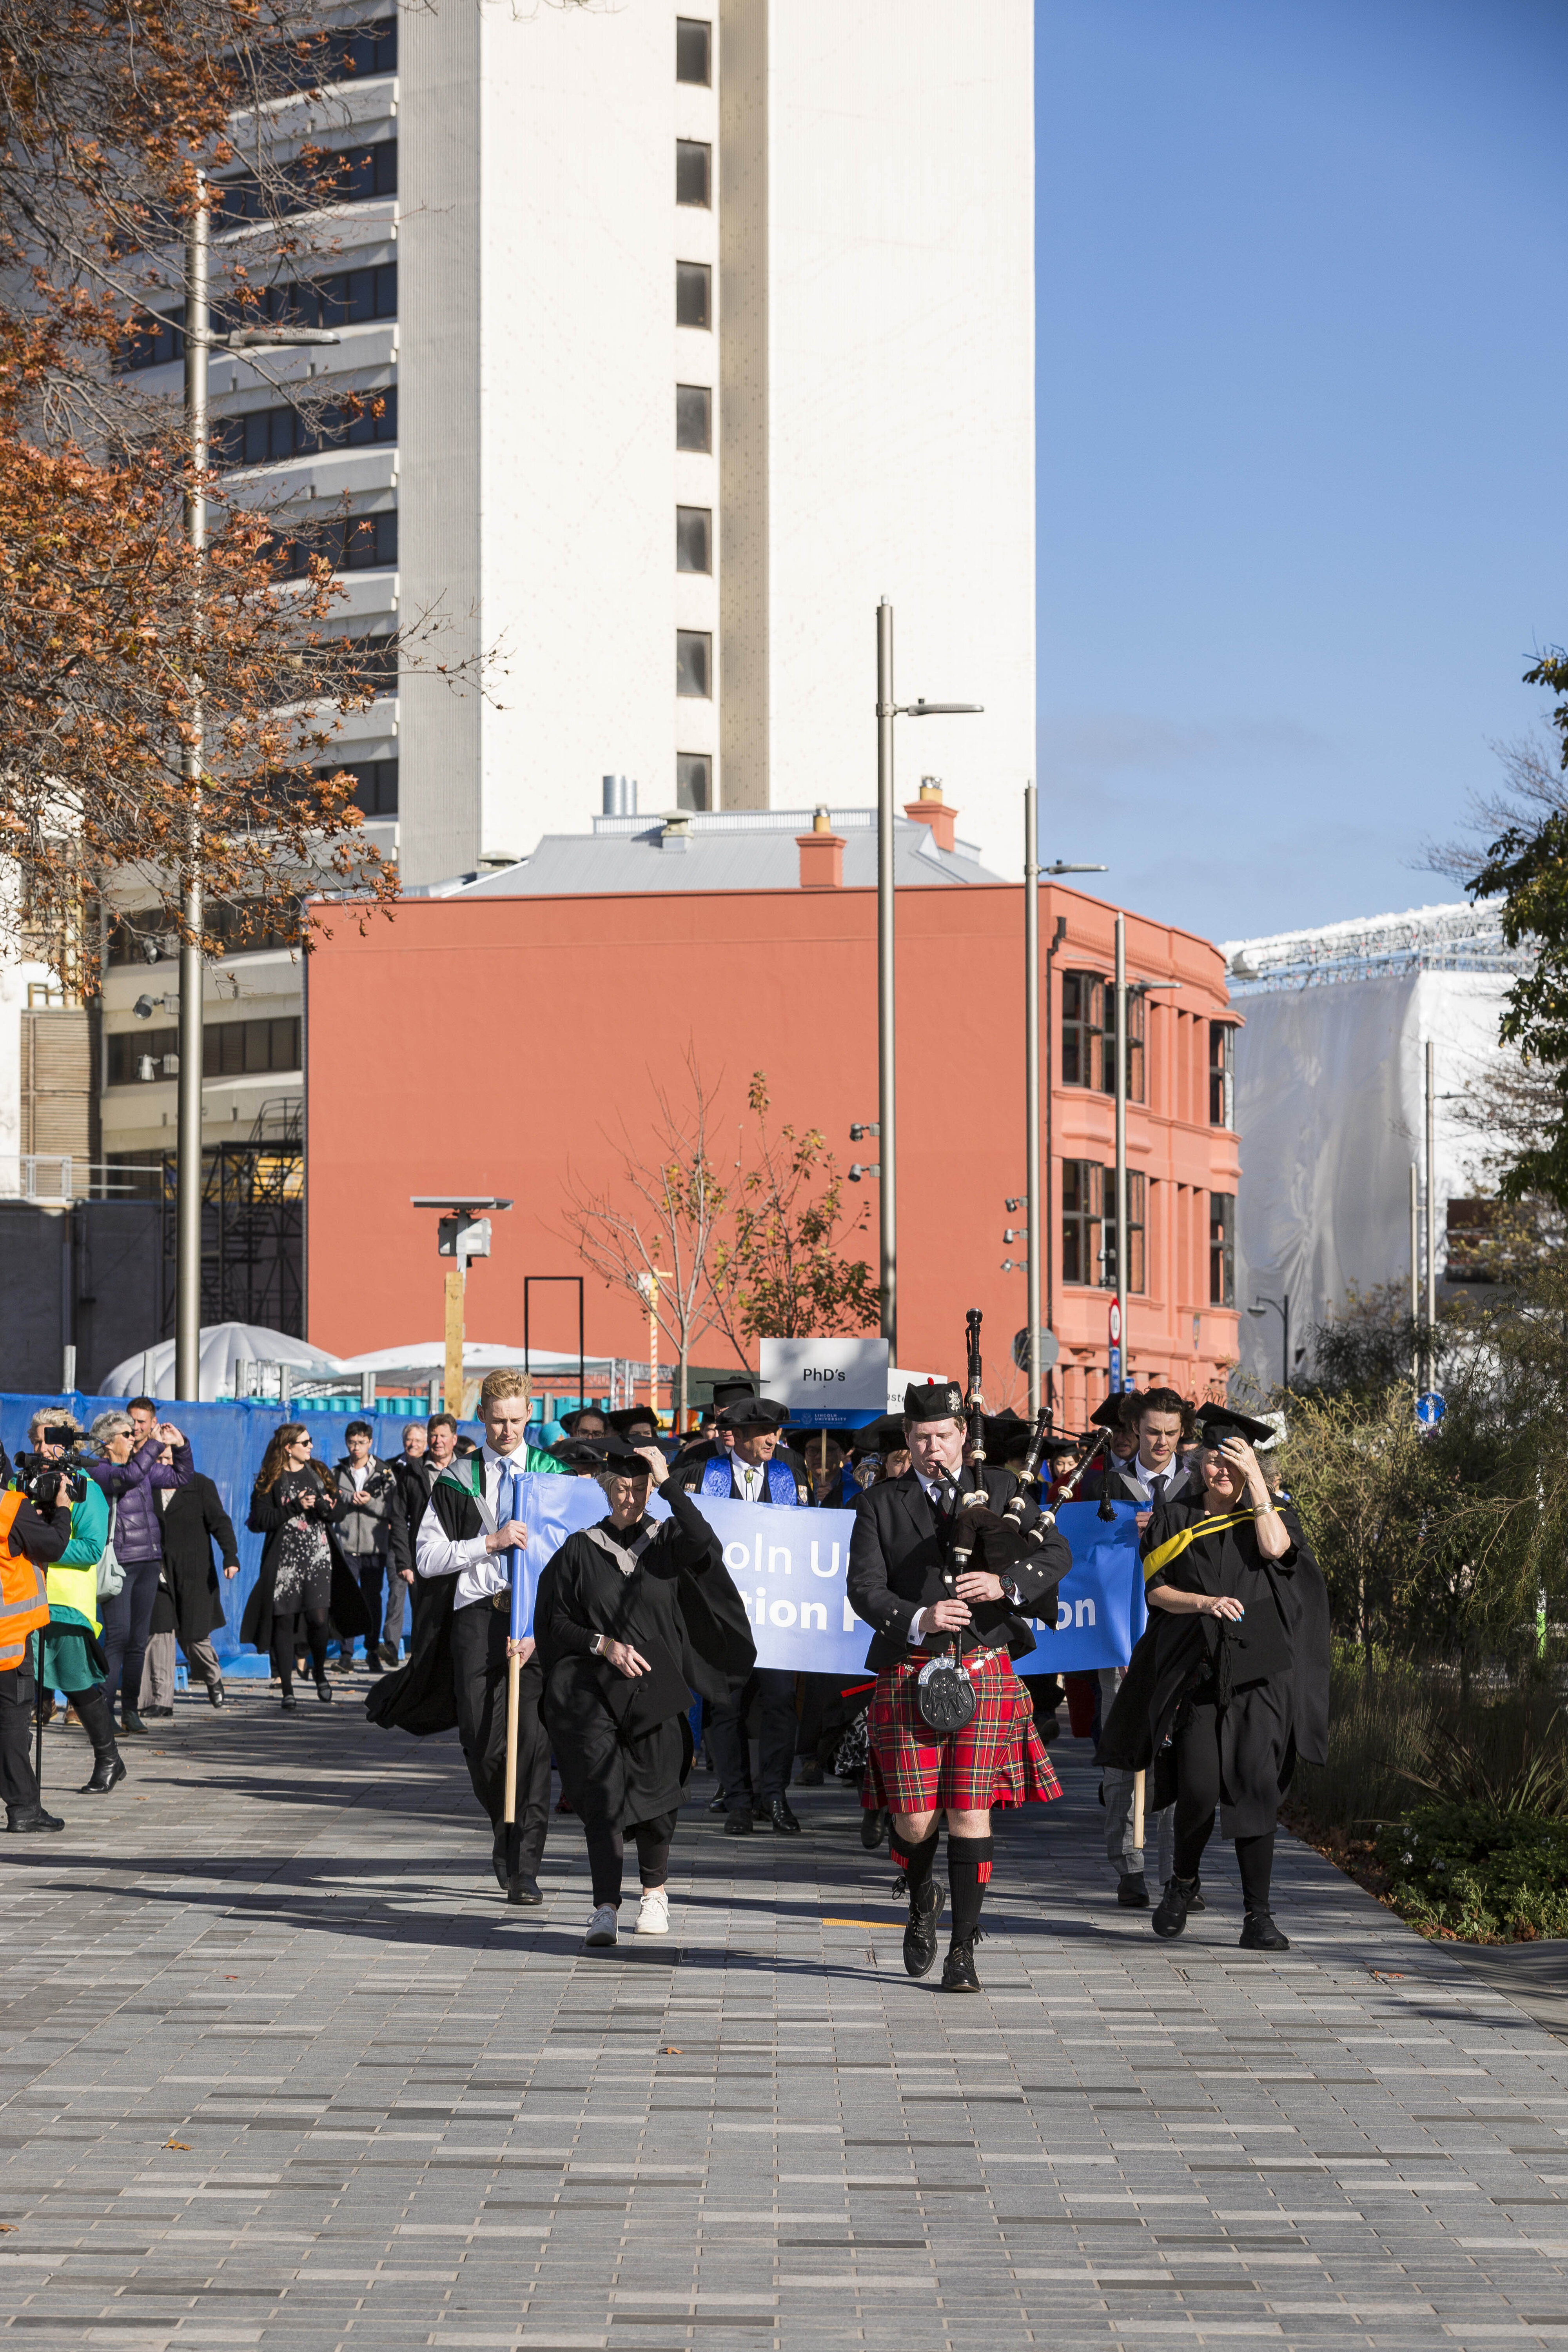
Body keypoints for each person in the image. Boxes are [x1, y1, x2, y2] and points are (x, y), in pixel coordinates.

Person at [846, 1380, 1071, 1993]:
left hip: (982, 1665)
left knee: (970, 1809)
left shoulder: (1000, 1488)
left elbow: (1056, 1551)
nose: (932, 1447)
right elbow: (863, 1588)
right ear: (908, 1441)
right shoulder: (881, 1503)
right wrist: (920, 1618)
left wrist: (1007, 1585)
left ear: (962, 1436)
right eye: (920, 1437)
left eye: (943, 1435)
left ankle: (964, 1950)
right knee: (915, 1819)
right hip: (910, 1666)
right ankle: (922, 1898)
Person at [1098, 1403, 1329, 1952]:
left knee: (1256, 1789)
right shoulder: (1174, 1517)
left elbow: (1277, 1550)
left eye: (1233, 1460)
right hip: (1198, 1670)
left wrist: (1258, 1488)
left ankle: (1259, 1915)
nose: (1219, 1470)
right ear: (1198, 1462)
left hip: (1261, 1676)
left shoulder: (1271, 1516)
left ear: (1250, 1464)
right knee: (1198, 1788)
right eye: (1212, 1460)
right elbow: (1156, 1591)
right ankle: (1182, 1882)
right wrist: (1204, 1601)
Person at [535, 1437, 755, 1947]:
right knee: (602, 1794)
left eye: (640, 1487)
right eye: (621, 1488)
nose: (630, 1498)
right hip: (596, 1693)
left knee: (658, 1796)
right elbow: (555, 1621)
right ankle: (605, 1906)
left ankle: (654, 1892)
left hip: (657, 1687)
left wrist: (670, 1480)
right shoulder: (580, 1549)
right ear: (607, 1487)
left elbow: (706, 1540)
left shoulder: (669, 1539)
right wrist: (602, 1642)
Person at [370, 1368, 564, 1903]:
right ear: (481, 1416)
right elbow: (429, 1557)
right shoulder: (457, 1478)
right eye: (497, 1420)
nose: (507, 1430)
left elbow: (573, 1554)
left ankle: (526, 1864)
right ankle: (504, 1829)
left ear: (530, 1415)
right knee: (480, 1740)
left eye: (517, 1420)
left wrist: (545, 1623)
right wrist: (488, 1542)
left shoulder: (554, 1474)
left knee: (532, 1745)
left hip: (532, 1619)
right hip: (476, 1617)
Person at [674, 1395, 806, 1834]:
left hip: (777, 1613)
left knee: (780, 1702)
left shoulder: (790, 1475)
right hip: (720, 1615)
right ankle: (738, 1800)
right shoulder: (701, 1476)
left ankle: (775, 1795)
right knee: (724, 1706)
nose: (775, 1439)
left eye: (777, 1431)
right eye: (766, 1432)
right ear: (742, 1436)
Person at [1095, 1388, 1201, 1909]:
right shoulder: (1105, 1486)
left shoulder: (1200, 1485)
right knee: (1124, 1756)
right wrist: (1120, 1535)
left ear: (1184, 1434)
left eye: (1171, 1433)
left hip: (1181, 1639)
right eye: (1152, 1431)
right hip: (1121, 1639)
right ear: (1137, 1429)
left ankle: (1177, 1874)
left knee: (1182, 1758)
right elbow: (1078, 1559)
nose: (1160, 1442)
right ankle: (1129, 1865)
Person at [13, 1411, 124, 1795]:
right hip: (20, 1600)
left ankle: (109, 1757)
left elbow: (92, 1548)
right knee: (18, 1688)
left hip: (65, 1603)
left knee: (78, 1683)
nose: (44, 1449)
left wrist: (43, 1548)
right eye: (38, 1441)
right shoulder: (19, 1483)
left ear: (69, 1443)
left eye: (53, 1441)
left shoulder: (85, 1487)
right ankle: (17, 1776)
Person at [242, 1426, 371, 1709]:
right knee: (284, 1621)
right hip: (285, 1559)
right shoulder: (271, 1477)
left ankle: (320, 1673)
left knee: (318, 1618)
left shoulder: (318, 1471)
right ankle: (287, 1689)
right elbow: (260, 1520)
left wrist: (324, 1507)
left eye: (311, 1440)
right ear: (289, 1447)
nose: (311, 1446)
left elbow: (338, 1511)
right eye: (305, 1442)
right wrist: (295, 1506)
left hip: (318, 1557)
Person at [87, 1407, 193, 1734]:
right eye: (128, 1434)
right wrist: (154, 1447)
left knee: (137, 1640)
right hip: (121, 1562)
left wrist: (181, 1444)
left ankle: (130, 1710)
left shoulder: (143, 1465)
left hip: (149, 1560)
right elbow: (130, 1476)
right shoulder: (100, 1469)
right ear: (107, 1442)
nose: (136, 1438)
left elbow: (180, 1477)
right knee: (117, 1637)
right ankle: (104, 1712)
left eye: (136, 1433)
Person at [0, 1455, 76, 1832]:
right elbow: (52, 1546)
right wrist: (60, 1509)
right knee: (12, 1725)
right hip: (8, 1641)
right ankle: (24, 1808)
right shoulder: (10, 1506)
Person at [141, 1447, 239, 1713]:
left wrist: (231, 1557)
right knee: (159, 1632)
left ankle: (213, 1677)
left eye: (170, 1459)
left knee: (194, 1637)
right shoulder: (145, 1486)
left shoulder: (200, 1485)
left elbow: (221, 1523)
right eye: (159, 1459)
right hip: (159, 1572)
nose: (164, 1465)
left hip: (195, 1574)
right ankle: (159, 1700)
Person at [334, 1421, 403, 1674]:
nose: (356, 1448)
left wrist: (369, 1503)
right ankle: (346, 1653)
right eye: (352, 1443)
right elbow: (331, 1502)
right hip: (347, 1546)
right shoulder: (338, 1472)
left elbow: (392, 1509)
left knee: (372, 1600)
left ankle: (372, 1650)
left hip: (375, 1549)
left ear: (370, 1443)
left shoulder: (384, 1472)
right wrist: (346, 1498)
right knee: (348, 1600)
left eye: (361, 1443)